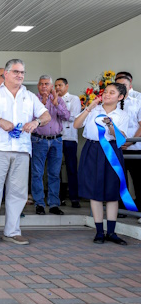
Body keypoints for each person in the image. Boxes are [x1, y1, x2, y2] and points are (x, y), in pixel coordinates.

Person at [0, 59, 50, 246]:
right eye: (16, 72)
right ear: (6, 74)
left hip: (22, 149)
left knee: (18, 193)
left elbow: (46, 115)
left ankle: (12, 231)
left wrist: (36, 122)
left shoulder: (29, 96)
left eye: (22, 72)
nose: (20, 75)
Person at [73, 83, 129, 245]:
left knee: (112, 191)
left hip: (111, 151)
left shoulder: (122, 115)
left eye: (112, 93)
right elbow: (76, 125)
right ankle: (99, 232)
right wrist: (89, 108)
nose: (107, 95)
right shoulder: (93, 109)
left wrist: (111, 125)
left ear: (120, 97)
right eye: (105, 92)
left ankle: (111, 232)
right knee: (94, 190)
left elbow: (121, 138)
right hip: (92, 149)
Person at [31, 75, 70, 216]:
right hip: (38, 140)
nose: (43, 86)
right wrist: (42, 103)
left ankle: (54, 204)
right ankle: (39, 204)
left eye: (46, 84)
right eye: (41, 84)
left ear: (51, 86)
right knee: (37, 173)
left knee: (54, 174)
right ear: (38, 86)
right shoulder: (33, 100)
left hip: (56, 141)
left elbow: (67, 116)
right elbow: (29, 118)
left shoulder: (58, 100)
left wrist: (56, 104)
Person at [115, 75, 141, 212]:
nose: (121, 88)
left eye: (124, 85)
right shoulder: (111, 104)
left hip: (135, 147)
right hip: (116, 147)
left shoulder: (137, 102)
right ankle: (121, 209)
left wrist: (130, 142)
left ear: (130, 86)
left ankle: (140, 209)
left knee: (138, 179)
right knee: (119, 180)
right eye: (118, 85)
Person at [55, 78, 82, 208]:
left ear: (66, 86)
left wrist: (59, 109)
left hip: (70, 137)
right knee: (56, 169)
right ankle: (58, 197)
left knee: (71, 168)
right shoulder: (52, 99)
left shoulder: (73, 99)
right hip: (56, 137)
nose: (57, 88)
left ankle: (74, 198)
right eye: (56, 85)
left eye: (60, 85)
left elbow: (74, 117)